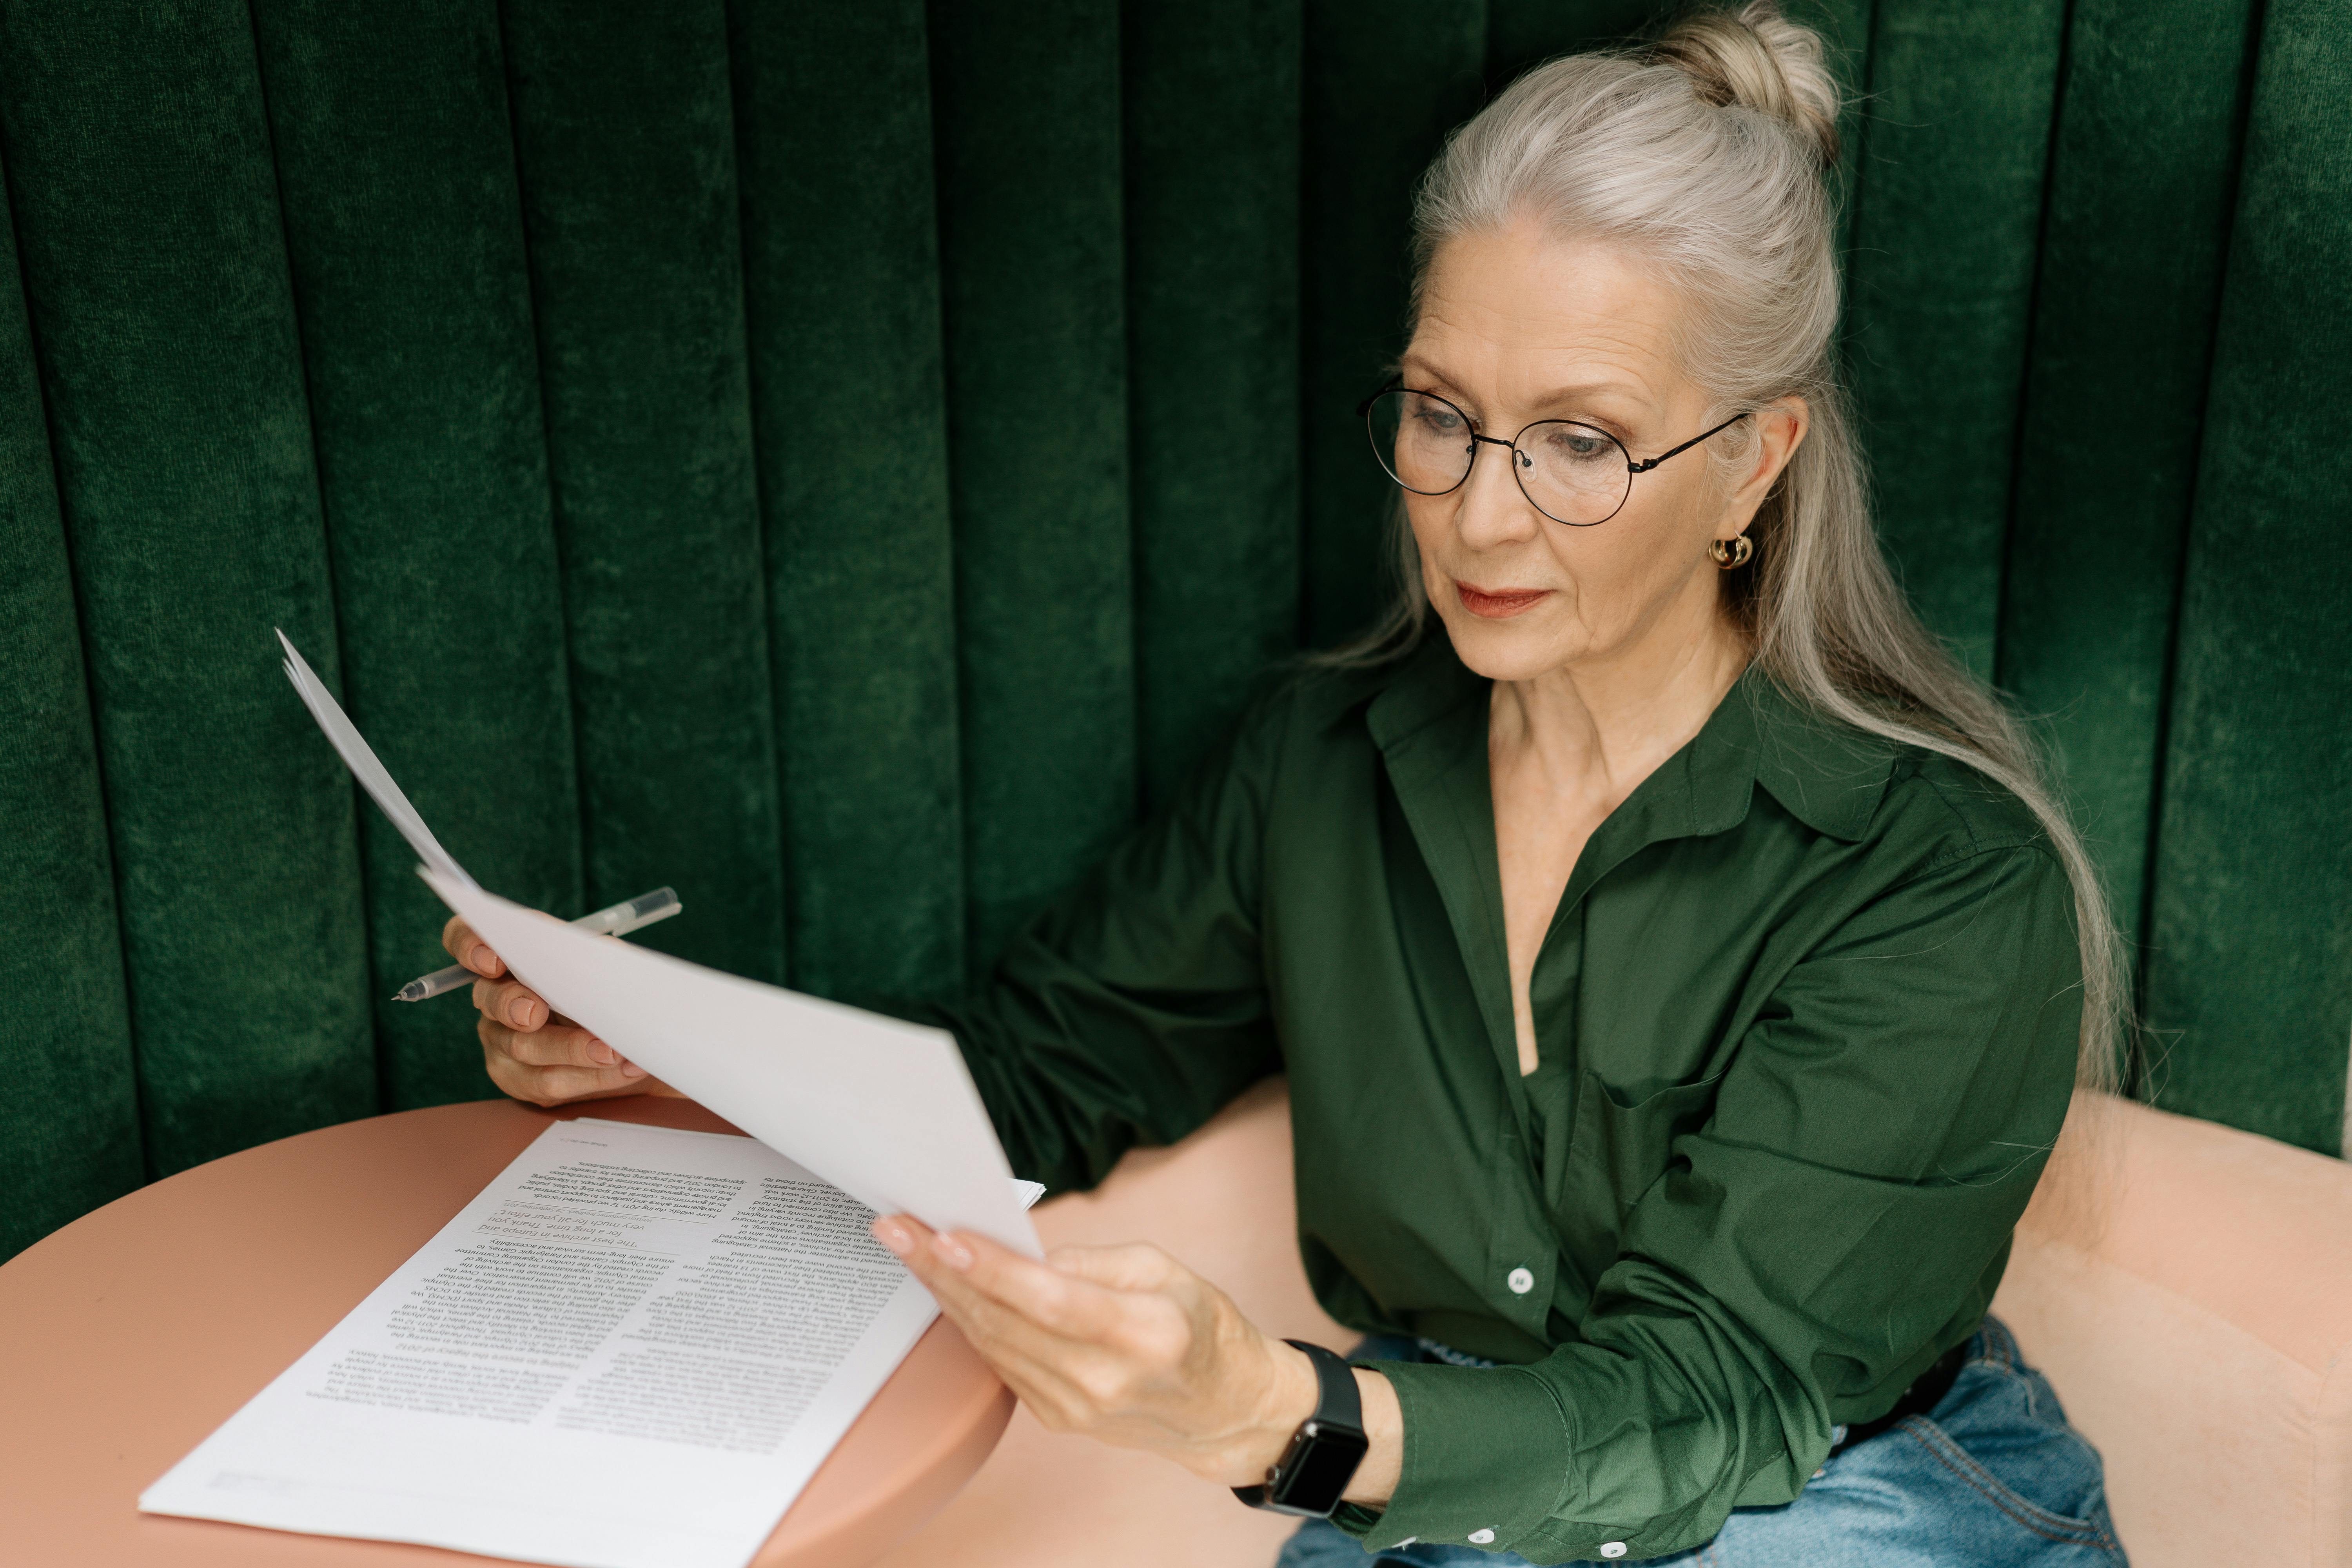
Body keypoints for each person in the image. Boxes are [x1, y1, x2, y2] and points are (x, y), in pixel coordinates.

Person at [443, 5, 2129, 1561]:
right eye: (1441, 414)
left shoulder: (1942, 878)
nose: (1477, 515)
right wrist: (659, 1050)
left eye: (1583, 442)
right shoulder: (1318, 764)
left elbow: (1704, 1399)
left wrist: (1279, 1413)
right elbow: (1034, 1077)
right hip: (1429, 1477)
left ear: (1753, 462)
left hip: (1833, 1490)